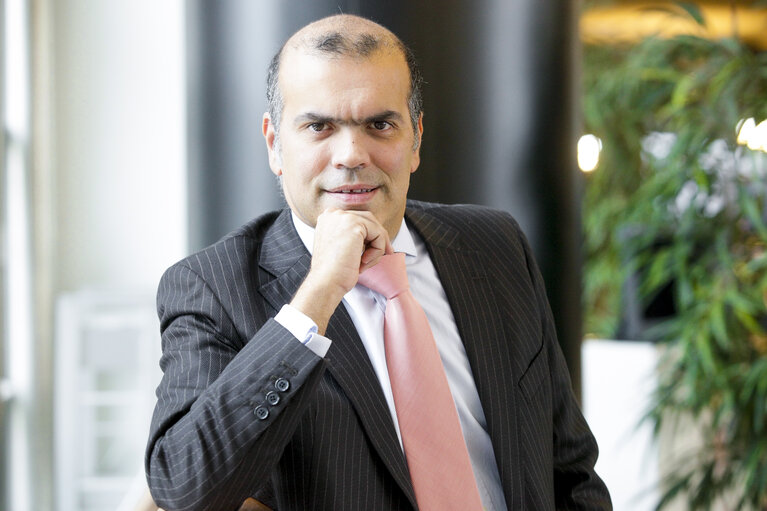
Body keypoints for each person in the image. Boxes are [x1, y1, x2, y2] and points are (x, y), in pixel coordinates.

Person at [145, 13, 611, 511]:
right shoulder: (211, 287)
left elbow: (571, 470)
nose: (350, 154)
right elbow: (185, 487)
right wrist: (317, 295)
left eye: (380, 125)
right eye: (319, 126)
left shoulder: (494, 246)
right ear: (274, 143)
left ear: (415, 138)